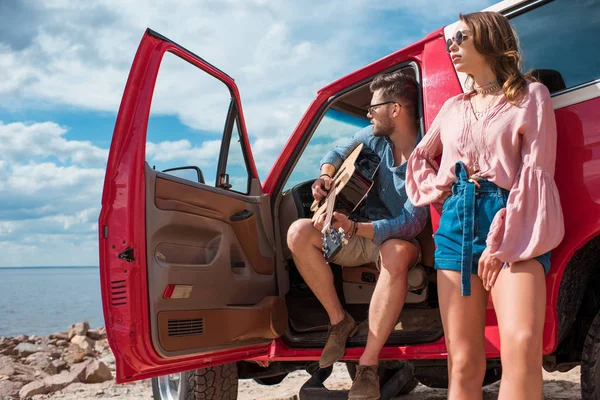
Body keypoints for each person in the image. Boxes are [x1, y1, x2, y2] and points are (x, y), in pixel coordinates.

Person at [405, 11, 564, 400]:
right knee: (461, 362)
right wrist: (442, 185)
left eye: (462, 38)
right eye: (451, 42)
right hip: (457, 224)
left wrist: (501, 242)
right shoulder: (453, 108)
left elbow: (535, 173)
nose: (453, 47)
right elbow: (420, 159)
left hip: (515, 218)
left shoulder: (530, 96)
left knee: (522, 344)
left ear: (489, 39)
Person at [287, 70, 428, 400]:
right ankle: (340, 321)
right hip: (362, 232)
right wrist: (325, 176)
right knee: (298, 232)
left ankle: (368, 367)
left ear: (395, 110)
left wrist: (354, 228)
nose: (368, 113)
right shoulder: (377, 138)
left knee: (394, 249)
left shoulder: (425, 154)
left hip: (401, 240)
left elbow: (411, 224)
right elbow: (336, 150)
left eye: (373, 106)